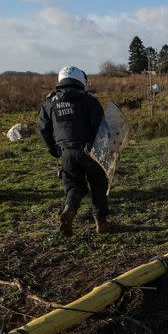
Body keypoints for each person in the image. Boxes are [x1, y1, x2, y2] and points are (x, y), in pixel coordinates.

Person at [38, 66, 108, 237]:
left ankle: (69, 208)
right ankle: (101, 222)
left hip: (66, 152)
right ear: (81, 80)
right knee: (98, 185)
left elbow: (42, 129)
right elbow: (102, 128)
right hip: (90, 152)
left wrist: (54, 149)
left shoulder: (50, 102)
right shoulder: (89, 101)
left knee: (74, 186)